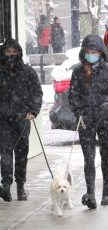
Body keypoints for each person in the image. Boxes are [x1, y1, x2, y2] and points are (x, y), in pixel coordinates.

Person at [0, 38, 43, 202]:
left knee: (21, 154)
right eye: (8, 52)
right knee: (5, 153)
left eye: (14, 52)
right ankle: (6, 186)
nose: (11, 55)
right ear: (3, 53)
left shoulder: (28, 72)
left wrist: (34, 111)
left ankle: (20, 187)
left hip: (23, 118)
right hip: (3, 119)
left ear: (19, 53)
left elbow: (37, 93)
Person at [68, 34, 108, 209]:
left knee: (106, 157)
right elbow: (73, 95)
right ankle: (90, 192)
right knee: (89, 158)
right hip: (86, 121)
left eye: (95, 52)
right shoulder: (78, 71)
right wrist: (79, 112)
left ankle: (106, 192)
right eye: (89, 52)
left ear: (101, 53)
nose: (92, 54)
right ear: (84, 53)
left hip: (105, 119)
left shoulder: (107, 70)